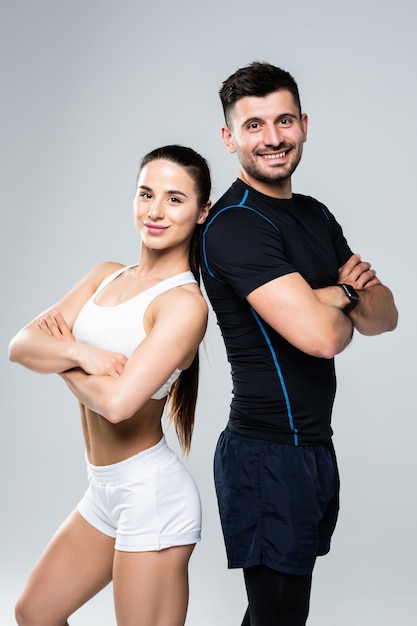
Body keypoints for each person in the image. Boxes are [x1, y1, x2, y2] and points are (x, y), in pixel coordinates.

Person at [201, 62, 398, 625]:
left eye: (284, 121)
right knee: (278, 615)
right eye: (255, 125)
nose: (273, 138)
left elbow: (385, 316)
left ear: (304, 125)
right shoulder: (236, 225)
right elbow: (321, 338)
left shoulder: (314, 214)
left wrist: (328, 301)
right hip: (266, 450)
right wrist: (342, 292)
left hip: (312, 446)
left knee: (282, 614)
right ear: (229, 137)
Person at [8, 144, 211, 626]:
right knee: (35, 613)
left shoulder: (184, 304)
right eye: (146, 194)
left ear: (202, 212)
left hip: (151, 495)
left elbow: (119, 406)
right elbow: (20, 345)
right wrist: (84, 354)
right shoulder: (105, 275)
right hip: (104, 490)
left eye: (174, 199)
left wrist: (59, 359)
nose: (155, 211)